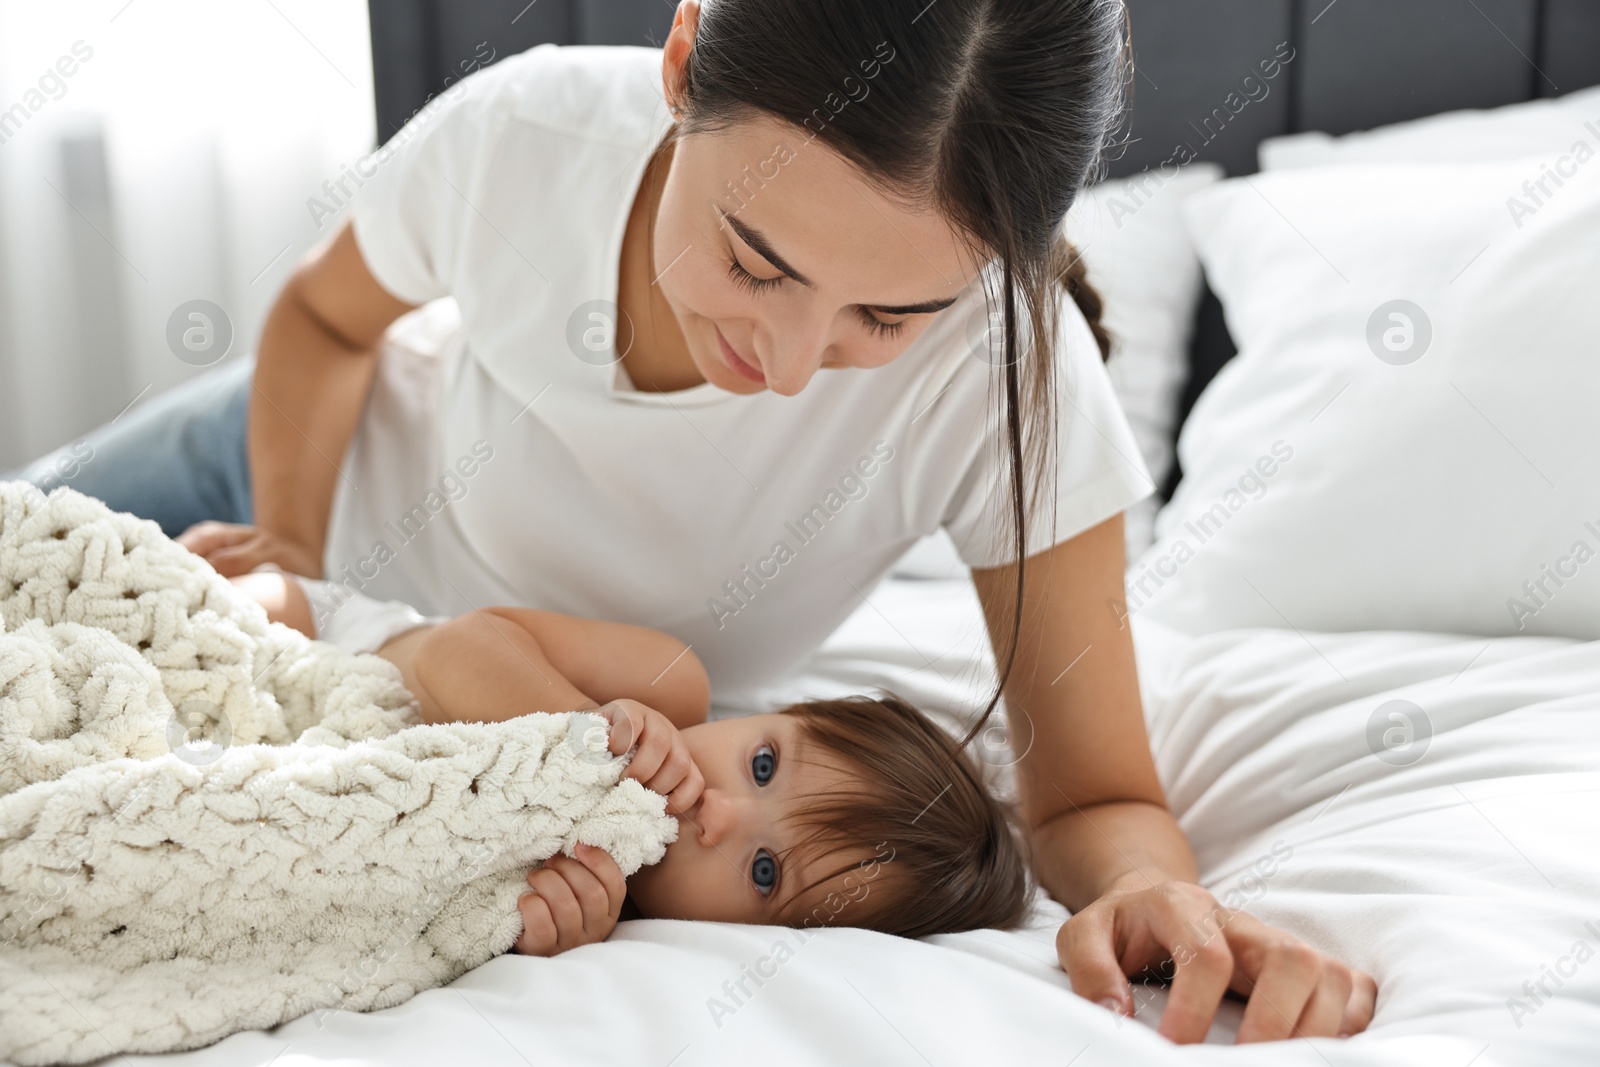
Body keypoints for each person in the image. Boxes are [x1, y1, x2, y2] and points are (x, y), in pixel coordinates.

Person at [5, 1, 1375, 1043]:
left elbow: (1092, 790)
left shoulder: (1007, 370)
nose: (783, 369)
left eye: (886, 318)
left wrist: (1160, 897)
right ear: (681, 67)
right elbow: (319, 320)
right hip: (272, 483)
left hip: (381, 684)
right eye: (754, 260)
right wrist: (290, 546)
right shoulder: (528, 135)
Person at [230, 567, 1033, 957]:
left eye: (763, 872)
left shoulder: (608, 918)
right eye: (761, 765)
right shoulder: (665, 685)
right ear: (773, 715)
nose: (714, 810)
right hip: (322, 641)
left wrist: (536, 928)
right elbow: (458, 646)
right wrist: (586, 741)